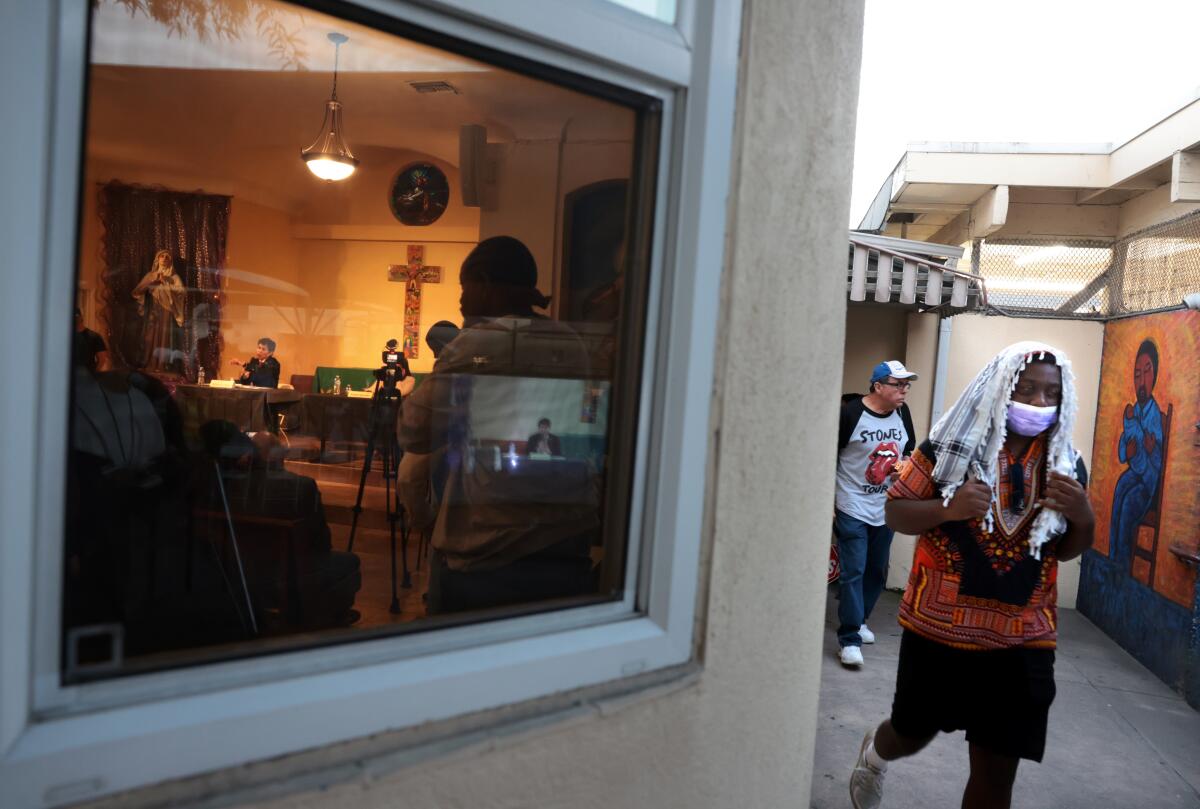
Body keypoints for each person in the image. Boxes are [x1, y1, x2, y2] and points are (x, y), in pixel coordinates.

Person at [849, 342, 1095, 809]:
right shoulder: (948, 448)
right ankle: (877, 754)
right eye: (1026, 390)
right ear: (1000, 388)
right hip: (938, 631)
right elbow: (897, 513)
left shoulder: (1066, 462)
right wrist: (949, 507)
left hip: (1022, 639)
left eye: (1051, 394)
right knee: (911, 733)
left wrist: (1083, 516)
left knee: (997, 770)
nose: (1039, 403)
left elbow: (1064, 551)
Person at [400, 235, 599, 615]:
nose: (460, 300)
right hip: (561, 544)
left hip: (485, 549)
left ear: (486, 284)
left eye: (464, 288)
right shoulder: (571, 342)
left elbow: (412, 431)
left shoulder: (476, 344)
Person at [833, 360, 917, 668]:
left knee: (876, 570)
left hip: (886, 506)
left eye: (906, 385)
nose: (904, 390)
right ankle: (850, 638)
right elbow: (831, 455)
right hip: (851, 503)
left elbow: (907, 452)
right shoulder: (851, 414)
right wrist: (830, 501)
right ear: (878, 386)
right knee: (853, 570)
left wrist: (901, 469)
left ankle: (861, 619)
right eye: (898, 384)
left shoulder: (902, 413)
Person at [1108, 339, 1165, 568]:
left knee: (1130, 503)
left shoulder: (1154, 415)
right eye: (1137, 374)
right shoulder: (1134, 411)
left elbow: (1160, 463)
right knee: (1120, 489)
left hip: (1149, 482)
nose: (1141, 381)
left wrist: (1152, 451)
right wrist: (1127, 450)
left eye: (1147, 373)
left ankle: (1121, 567)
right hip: (1134, 474)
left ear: (1155, 376)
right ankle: (1113, 558)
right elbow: (1123, 451)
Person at [130, 249, 186, 373]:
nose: (164, 258)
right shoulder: (150, 275)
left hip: (167, 312)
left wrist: (167, 283)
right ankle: (148, 362)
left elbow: (182, 292)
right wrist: (154, 282)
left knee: (164, 338)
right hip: (152, 309)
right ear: (157, 259)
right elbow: (137, 291)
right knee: (149, 336)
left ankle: (161, 365)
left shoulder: (174, 277)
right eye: (162, 256)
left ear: (170, 260)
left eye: (167, 257)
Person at [73, 307, 110, 372]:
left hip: (87, 374)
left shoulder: (94, 336)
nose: (76, 319)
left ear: (81, 317)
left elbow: (102, 359)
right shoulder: (65, 336)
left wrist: (93, 374)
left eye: (77, 317)